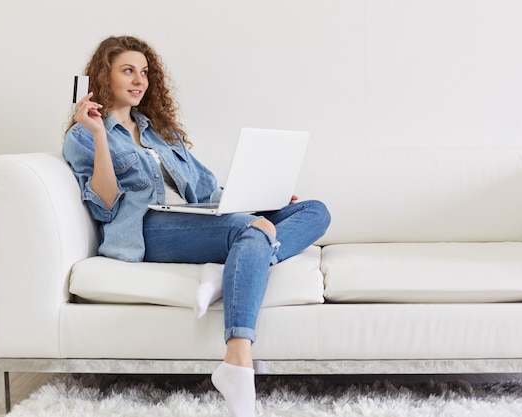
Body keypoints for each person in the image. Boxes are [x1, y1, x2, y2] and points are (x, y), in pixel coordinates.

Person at [62, 35, 331, 417]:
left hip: (196, 218)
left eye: (144, 72)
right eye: (128, 71)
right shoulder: (83, 135)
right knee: (249, 230)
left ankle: (229, 269)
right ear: (103, 78)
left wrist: (262, 200)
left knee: (315, 211)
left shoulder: (159, 131)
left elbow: (207, 189)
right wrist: (100, 135)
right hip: (149, 228)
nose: (139, 80)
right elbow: (105, 206)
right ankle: (238, 357)